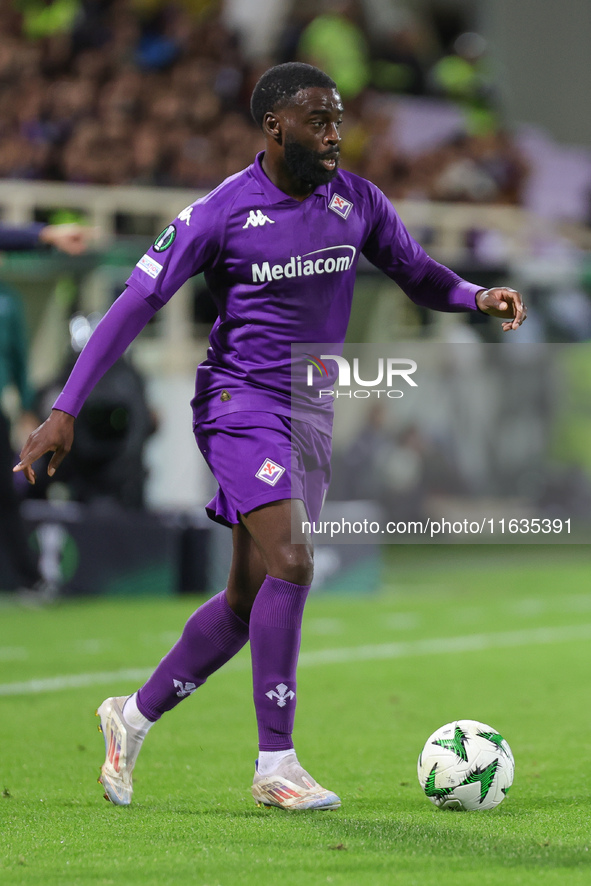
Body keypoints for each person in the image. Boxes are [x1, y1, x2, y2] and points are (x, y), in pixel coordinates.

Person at [14, 63, 527, 811]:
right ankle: (275, 765)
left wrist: (475, 294)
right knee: (293, 560)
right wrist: (65, 408)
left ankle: (131, 715)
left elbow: (416, 273)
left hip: (310, 410)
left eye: (338, 118)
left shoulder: (358, 200)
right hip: (237, 402)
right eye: (317, 119)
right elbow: (135, 301)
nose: (333, 133)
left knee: (242, 602)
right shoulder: (220, 213)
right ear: (274, 127)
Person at [0, 222, 91, 596]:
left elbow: (19, 363)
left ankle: (30, 578)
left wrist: (24, 408)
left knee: (5, 498)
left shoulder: (7, 304)